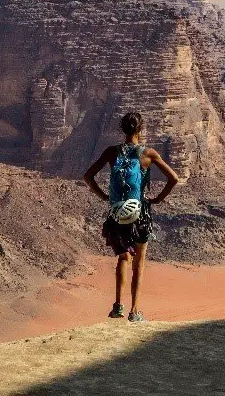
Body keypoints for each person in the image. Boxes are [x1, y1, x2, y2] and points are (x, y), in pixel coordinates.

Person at [83, 112, 179, 322]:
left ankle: (117, 306)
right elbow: (173, 178)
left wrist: (104, 196)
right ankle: (135, 312)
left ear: (122, 129)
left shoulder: (111, 152)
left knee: (123, 258)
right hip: (140, 212)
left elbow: (87, 177)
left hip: (117, 212)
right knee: (139, 262)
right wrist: (157, 199)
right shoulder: (148, 154)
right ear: (140, 130)